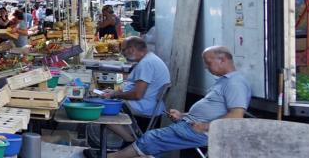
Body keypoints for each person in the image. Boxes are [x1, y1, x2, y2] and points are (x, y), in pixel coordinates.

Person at [109, 46, 250, 158]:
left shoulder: (235, 83)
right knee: (151, 149)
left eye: (208, 63)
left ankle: (110, 157)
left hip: (204, 132)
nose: (206, 67)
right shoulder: (224, 81)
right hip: (192, 124)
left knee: (152, 138)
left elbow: (236, 116)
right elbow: (211, 109)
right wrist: (182, 115)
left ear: (223, 60)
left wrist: (205, 126)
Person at [99, 37, 170, 144]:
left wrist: (114, 94)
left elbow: (137, 94)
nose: (122, 53)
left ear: (131, 49)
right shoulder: (149, 59)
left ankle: (130, 141)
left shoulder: (147, 63)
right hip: (149, 104)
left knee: (98, 109)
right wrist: (116, 92)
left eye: (123, 50)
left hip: (143, 106)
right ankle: (129, 139)